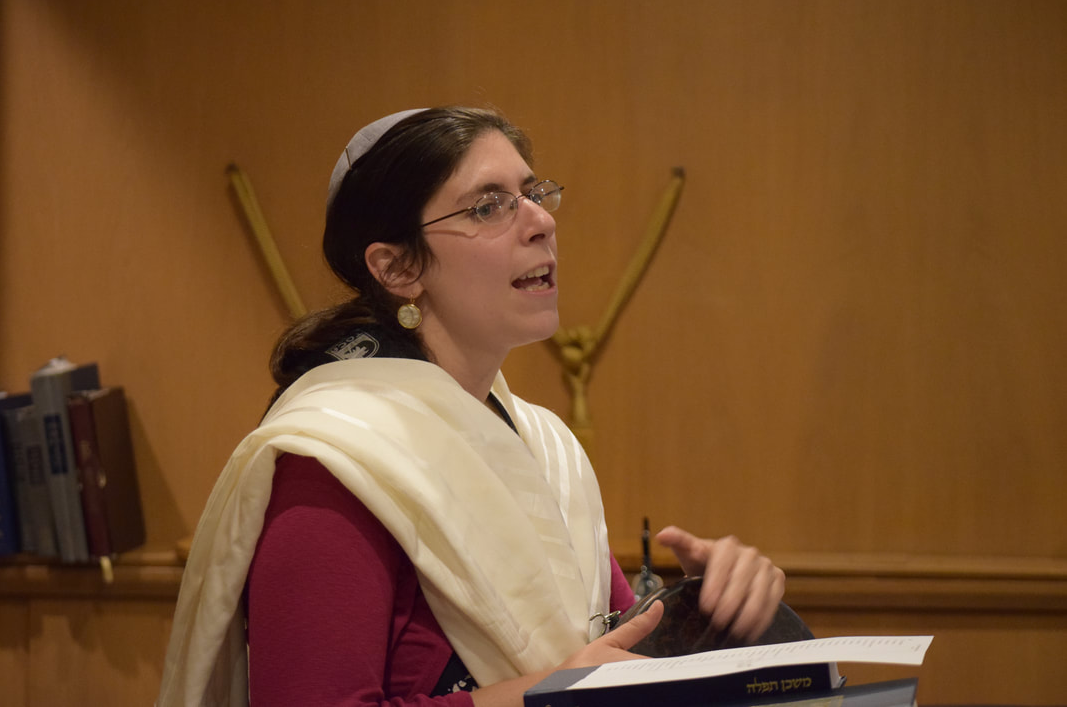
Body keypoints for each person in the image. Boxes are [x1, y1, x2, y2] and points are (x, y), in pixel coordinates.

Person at [157, 107, 786, 707]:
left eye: (534, 193)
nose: (541, 221)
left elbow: (604, 658)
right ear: (397, 267)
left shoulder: (543, 442)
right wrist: (547, 697)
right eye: (489, 206)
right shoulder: (334, 464)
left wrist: (707, 606)